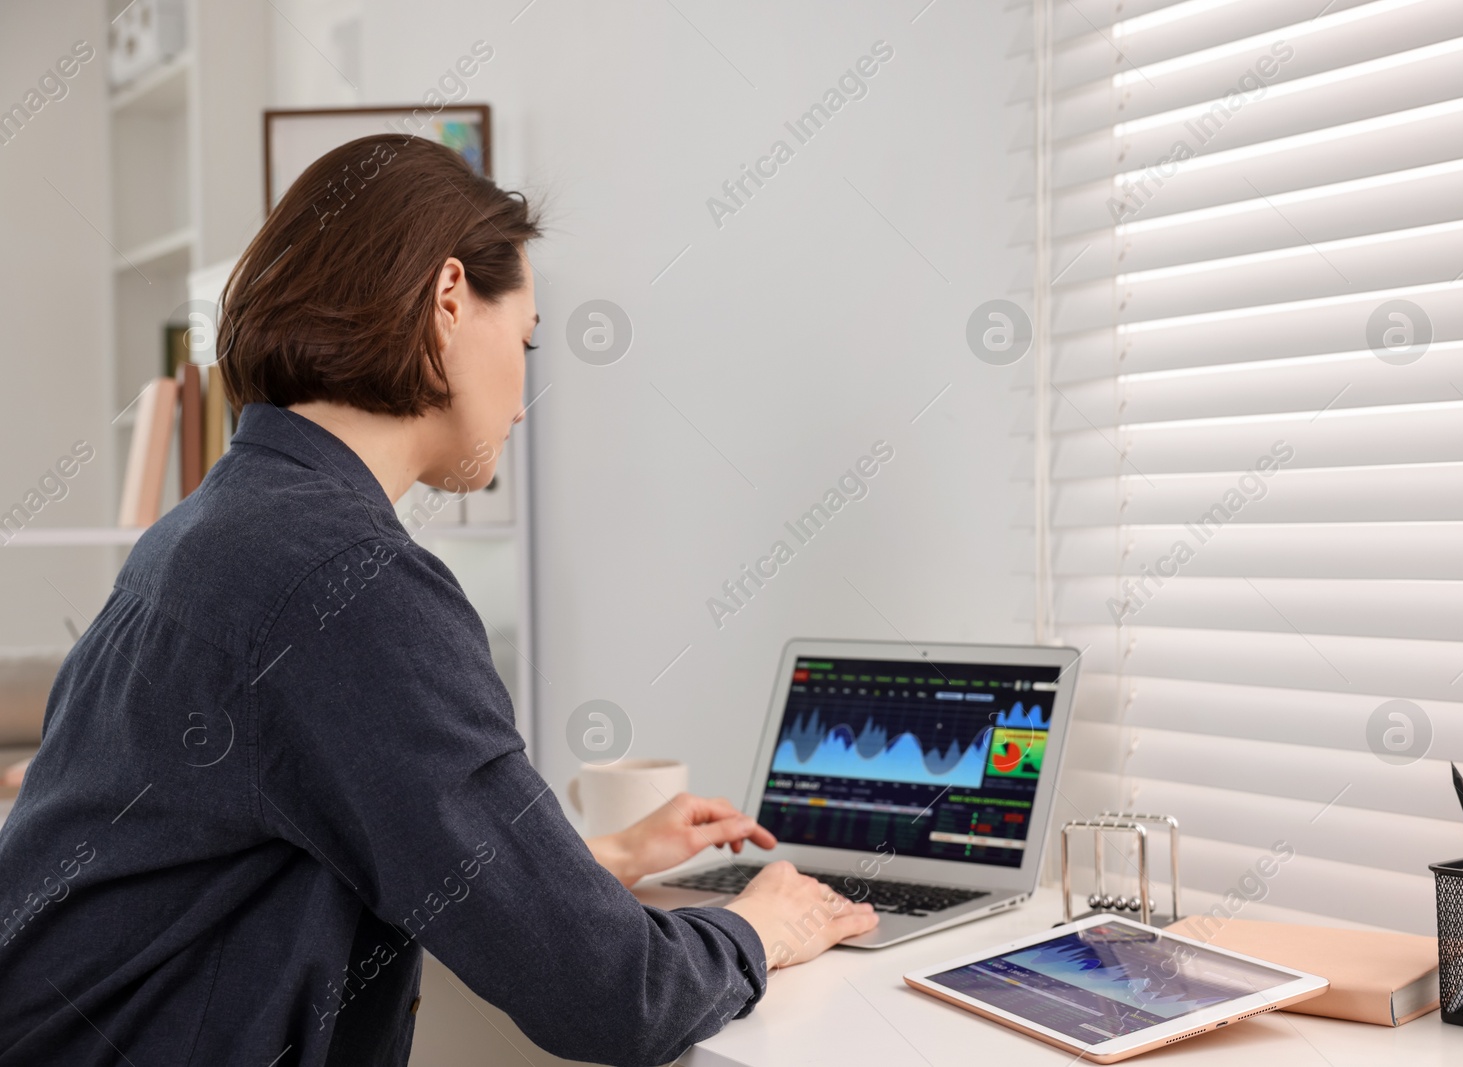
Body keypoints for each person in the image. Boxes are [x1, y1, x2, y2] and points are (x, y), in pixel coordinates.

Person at [0, 134, 875, 1067]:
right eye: (528, 338)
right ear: (449, 299)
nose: (525, 400)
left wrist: (588, 862)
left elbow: (289, 839)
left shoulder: (214, 530)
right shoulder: (348, 578)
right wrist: (759, 927)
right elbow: (616, 997)